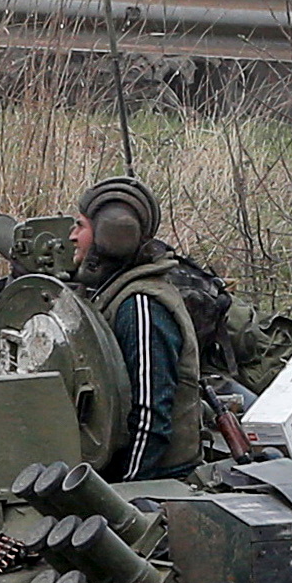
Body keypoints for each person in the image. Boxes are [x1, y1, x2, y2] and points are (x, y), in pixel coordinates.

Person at [72, 174, 214, 478]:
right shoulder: (113, 291)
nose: (72, 236)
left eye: (80, 226)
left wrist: (125, 491)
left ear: (109, 236)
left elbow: (150, 418)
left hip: (157, 481)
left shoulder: (141, 306)